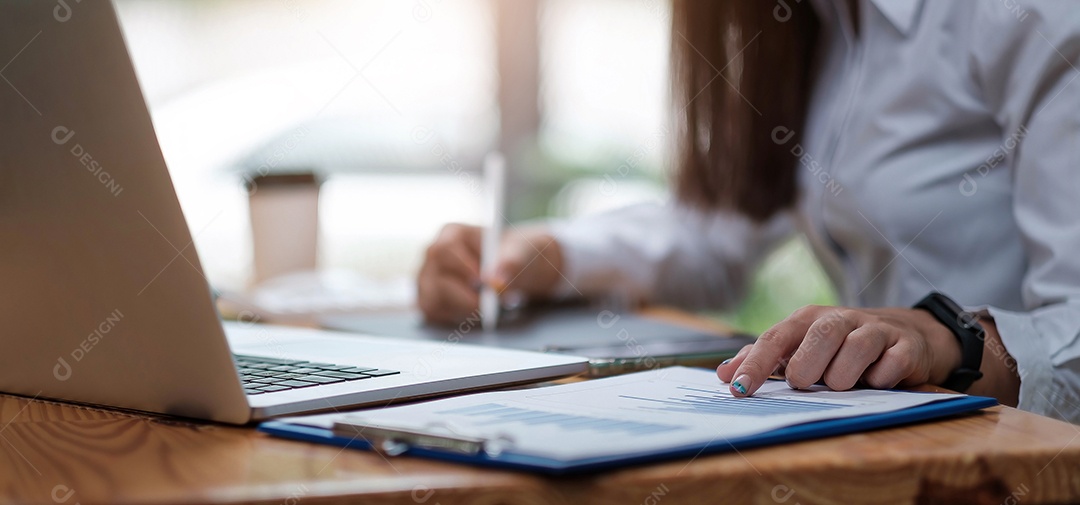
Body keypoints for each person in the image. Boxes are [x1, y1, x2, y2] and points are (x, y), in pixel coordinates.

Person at [416, 0, 1080, 424]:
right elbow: (719, 230)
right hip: (896, 451)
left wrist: (949, 339)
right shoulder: (821, 24)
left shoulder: (1029, 18)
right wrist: (545, 254)